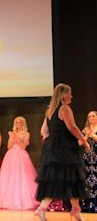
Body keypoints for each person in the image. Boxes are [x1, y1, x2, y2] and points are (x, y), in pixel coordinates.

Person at [35, 83, 90, 221]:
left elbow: (43, 132)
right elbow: (72, 127)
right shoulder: (64, 108)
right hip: (65, 149)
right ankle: (74, 210)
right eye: (69, 93)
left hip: (54, 150)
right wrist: (84, 140)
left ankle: (44, 208)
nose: (71, 96)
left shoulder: (50, 111)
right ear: (64, 95)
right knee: (72, 177)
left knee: (60, 179)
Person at [0, 116, 39, 210]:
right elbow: (9, 146)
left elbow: (23, 146)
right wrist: (12, 137)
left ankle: (23, 201)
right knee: (10, 178)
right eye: (17, 122)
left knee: (22, 177)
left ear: (23, 124)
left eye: (20, 122)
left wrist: (16, 137)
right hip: (11, 156)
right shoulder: (12, 133)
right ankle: (8, 200)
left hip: (21, 155)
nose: (18, 124)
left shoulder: (26, 134)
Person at [80, 111, 97, 212]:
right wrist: (86, 135)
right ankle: (87, 205)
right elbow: (79, 142)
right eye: (89, 116)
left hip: (96, 157)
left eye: (93, 116)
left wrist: (91, 134)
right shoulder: (85, 129)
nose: (91, 118)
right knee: (87, 180)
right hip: (87, 158)